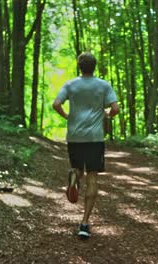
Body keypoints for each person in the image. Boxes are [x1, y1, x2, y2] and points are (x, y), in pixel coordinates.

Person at [52, 52, 119, 239]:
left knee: (77, 169)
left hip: (74, 136)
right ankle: (85, 223)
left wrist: (67, 116)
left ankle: (74, 177)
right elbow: (115, 109)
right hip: (95, 138)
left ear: (79, 66)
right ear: (94, 66)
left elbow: (56, 103)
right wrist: (105, 115)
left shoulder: (70, 84)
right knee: (92, 177)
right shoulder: (104, 85)